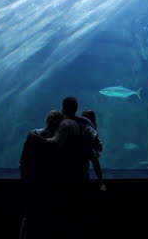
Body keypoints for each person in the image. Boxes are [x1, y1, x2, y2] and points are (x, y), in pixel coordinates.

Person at [30, 96, 100, 238]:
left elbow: (55, 142)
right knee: (79, 208)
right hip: (81, 172)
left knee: (64, 208)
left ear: (63, 107)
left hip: (66, 174)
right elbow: (97, 143)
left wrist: (36, 137)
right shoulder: (84, 123)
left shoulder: (65, 124)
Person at [19, 110, 65, 239]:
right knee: (52, 218)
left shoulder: (34, 134)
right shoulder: (62, 140)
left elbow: (23, 159)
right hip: (53, 185)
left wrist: (24, 178)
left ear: (47, 120)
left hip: (34, 181)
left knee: (29, 217)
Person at [80, 109, 106, 192]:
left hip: (75, 157)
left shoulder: (76, 125)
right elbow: (99, 146)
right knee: (94, 159)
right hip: (85, 157)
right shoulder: (90, 129)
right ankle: (101, 182)